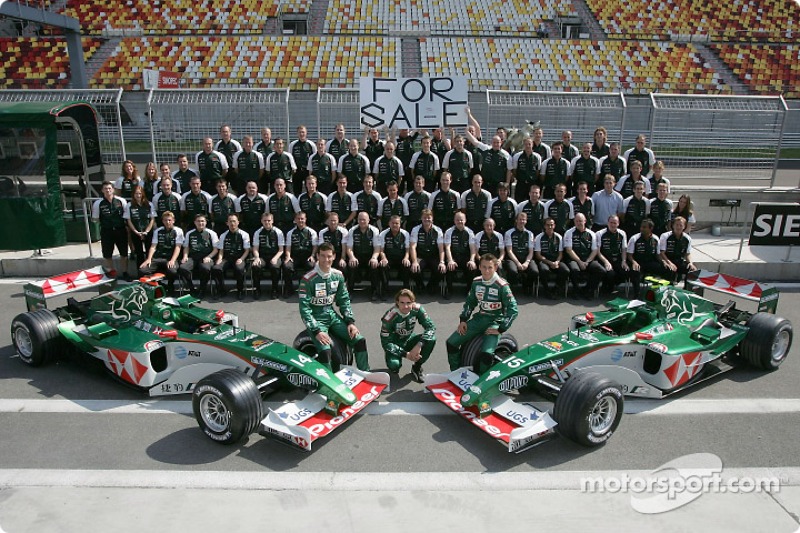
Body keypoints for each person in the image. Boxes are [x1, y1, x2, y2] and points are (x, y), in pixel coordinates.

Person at [298, 242, 370, 371]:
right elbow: (304, 309)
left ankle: (365, 374)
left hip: (332, 316)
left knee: (359, 340)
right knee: (325, 349)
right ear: (318, 256)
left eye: (329, 256)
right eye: (323, 256)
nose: (326, 260)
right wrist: (316, 331)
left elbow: (344, 300)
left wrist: (350, 322)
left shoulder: (338, 275)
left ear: (334, 256)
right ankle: (328, 384)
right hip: (316, 319)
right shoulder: (308, 279)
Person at [445, 253, 518, 372]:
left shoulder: (502, 286)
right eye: (484, 267)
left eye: (490, 267)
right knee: (451, 343)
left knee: (486, 354)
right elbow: (470, 303)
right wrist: (463, 320)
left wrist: (501, 328)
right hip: (479, 319)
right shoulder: (476, 282)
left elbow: (513, 309)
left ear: (495, 267)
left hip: (494, 322)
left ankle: (482, 381)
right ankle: (456, 372)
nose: (487, 270)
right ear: (479, 267)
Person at [380, 289, 436, 381]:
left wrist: (419, 344)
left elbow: (431, 327)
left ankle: (417, 367)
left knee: (431, 339)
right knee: (394, 366)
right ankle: (395, 359)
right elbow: (385, 343)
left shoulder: (418, 309)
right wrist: (406, 354)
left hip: (409, 339)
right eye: (402, 302)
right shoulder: (389, 316)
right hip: (395, 343)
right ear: (397, 302)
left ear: (413, 302)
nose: (405, 306)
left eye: (408, 303)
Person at [139, 210, 184, 294]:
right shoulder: (158, 231)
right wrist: (148, 259)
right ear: (162, 221)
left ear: (173, 220)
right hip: (158, 257)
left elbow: (178, 247)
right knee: (142, 270)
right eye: (165, 220)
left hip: (171, 257)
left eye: (169, 220)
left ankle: (170, 286)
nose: (167, 222)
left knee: (172, 271)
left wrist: (173, 260)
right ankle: (160, 285)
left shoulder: (178, 231)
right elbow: (153, 246)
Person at [92, 181, 129, 278]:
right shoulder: (98, 203)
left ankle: (125, 272)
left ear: (113, 190)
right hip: (106, 231)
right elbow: (95, 219)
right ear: (102, 190)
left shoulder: (121, 201)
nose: (108, 190)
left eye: (109, 188)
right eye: (105, 189)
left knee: (124, 253)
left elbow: (126, 216)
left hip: (120, 230)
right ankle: (112, 273)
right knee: (107, 254)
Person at [563, 213, 604, 298]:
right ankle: (576, 291)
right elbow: (569, 250)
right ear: (574, 222)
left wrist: (587, 261)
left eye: (580, 221)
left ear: (585, 221)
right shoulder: (569, 233)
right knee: (574, 269)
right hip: (573, 259)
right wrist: (579, 261)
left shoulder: (592, 234)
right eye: (577, 221)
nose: (579, 223)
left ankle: (588, 289)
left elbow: (595, 250)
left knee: (601, 270)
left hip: (587, 259)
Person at [178, 214, 218, 298]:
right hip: (193, 257)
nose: (200, 223)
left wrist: (209, 257)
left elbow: (216, 249)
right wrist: (185, 256)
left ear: (206, 222)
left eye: (202, 221)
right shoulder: (189, 233)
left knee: (205, 268)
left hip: (206, 257)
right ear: (195, 222)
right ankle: (191, 288)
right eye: (198, 221)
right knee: (183, 268)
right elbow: (186, 247)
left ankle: (202, 289)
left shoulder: (212, 233)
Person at [344, 211, 382, 300]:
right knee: (352, 265)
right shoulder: (352, 230)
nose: (362, 222)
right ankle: (349, 291)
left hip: (370, 256)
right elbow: (349, 248)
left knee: (374, 266)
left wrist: (374, 258)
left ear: (368, 220)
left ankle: (375, 291)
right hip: (357, 256)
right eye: (360, 220)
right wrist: (352, 257)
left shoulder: (374, 230)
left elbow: (377, 248)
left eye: (364, 220)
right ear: (357, 220)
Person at [212, 213, 250, 300]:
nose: (232, 223)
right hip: (227, 258)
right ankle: (221, 290)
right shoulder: (223, 235)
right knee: (216, 268)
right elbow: (221, 250)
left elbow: (247, 250)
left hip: (240, 258)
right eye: (230, 221)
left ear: (238, 222)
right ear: (227, 223)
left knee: (239, 269)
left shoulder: (244, 234)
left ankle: (240, 290)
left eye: (234, 221)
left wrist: (241, 259)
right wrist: (220, 259)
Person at [463, 129, 511, 196]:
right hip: (485, 183)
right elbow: (474, 141)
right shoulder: (486, 148)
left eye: (498, 142)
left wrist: (507, 184)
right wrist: (466, 130)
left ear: (501, 143)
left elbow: (509, 171)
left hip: (498, 184)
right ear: (491, 142)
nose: (496, 144)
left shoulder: (506, 155)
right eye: (494, 142)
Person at [409, 208, 445, 294]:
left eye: (429, 217)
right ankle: (420, 285)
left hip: (433, 256)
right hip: (420, 256)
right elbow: (413, 247)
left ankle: (431, 285)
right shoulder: (416, 230)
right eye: (424, 217)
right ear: (421, 218)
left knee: (441, 269)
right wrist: (414, 261)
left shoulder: (438, 230)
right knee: (414, 269)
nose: (427, 219)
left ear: (432, 218)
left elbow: (441, 248)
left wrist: (442, 262)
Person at [283, 211, 318, 297]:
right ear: (295, 220)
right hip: (295, 257)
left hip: (307, 257)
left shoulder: (312, 232)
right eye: (298, 219)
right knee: (287, 266)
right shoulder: (290, 233)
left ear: (305, 219)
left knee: (312, 266)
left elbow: (315, 246)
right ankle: (289, 289)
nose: (300, 220)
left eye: (302, 218)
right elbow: (288, 247)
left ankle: (309, 289)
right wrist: (288, 257)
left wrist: (313, 255)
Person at [443, 210, 477, 298]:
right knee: (449, 267)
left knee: (472, 267)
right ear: (454, 221)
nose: (460, 222)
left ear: (465, 220)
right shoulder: (449, 232)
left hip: (465, 256)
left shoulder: (470, 232)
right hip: (453, 256)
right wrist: (450, 260)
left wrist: (472, 260)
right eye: (457, 220)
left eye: (461, 220)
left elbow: (473, 249)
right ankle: (449, 290)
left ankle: (469, 290)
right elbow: (447, 247)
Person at [251, 212, 284, 299]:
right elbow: (255, 248)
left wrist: (275, 258)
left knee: (275, 267)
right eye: (265, 221)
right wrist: (257, 258)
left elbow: (281, 249)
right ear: (261, 221)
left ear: (272, 221)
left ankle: (275, 289)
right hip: (262, 256)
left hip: (275, 255)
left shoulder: (278, 232)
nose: (267, 222)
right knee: (255, 266)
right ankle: (257, 289)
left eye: (269, 220)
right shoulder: (258, 232)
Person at [377, 214, 412, 296]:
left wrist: (406, 258)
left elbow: (407, 250)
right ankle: (385, 289)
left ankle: (406, 291)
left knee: (407, 265)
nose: (395, 225)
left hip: (401, 258)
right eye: (393, 223)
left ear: (400, 224)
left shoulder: (405, 234)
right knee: (382, 265)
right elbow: (381, 250)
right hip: (389, 258)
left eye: (397, 223)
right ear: (389, 223)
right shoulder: (383, 234)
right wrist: (384, 258)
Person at [534, 217, 569, 298]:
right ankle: (546, 290)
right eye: (548, 225)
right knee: (544, 270)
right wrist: (549, 262)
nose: (550, 227)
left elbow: (560, 253)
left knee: (565, 270)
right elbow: (538, 255)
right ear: (544, 226)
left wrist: (557, 262)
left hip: (556, 261)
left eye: (551, 225)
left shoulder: (559, 237)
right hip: (544, 260)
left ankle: (556, 289)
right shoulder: (539, 237)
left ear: (554, 226)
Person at [504, 211, 537, 295]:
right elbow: (509, 251)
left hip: (526, 258)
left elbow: (531, 251)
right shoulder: (509, 233)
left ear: (526, 221)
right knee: (512, 271)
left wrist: (527, 262)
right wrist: (518, 263)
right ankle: (512, 288)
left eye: (524, 220)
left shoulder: (530, 234)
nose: (522, 221)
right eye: (520, 219)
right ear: (516, 220)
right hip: (513, 258)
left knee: (534, 271)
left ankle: (526, 285)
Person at [627, 218, 662, 296]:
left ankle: (660, 293)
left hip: (650, 262)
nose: (641, 229)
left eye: (644, 227)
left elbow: (658, 254)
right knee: (635, 271)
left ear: (651, 228)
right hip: (638, 262)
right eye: (641, 227)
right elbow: (629, 255)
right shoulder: (634, 238)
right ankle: (637, 294)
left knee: (665, 268)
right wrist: (634, 262)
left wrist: (664, 262)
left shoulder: (656, 239)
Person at [595, 215, 629, 294]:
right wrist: (606, 262)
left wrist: (624, 261)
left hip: (617, 259)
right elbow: (598, 251)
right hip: (604, 259)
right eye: (611, 222)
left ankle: (612, 285)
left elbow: (624, 248)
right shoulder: (599, 234)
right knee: (610, 273)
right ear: (607, 223)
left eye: (615, 223)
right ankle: (606, 289)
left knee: (625, 271)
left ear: (618, 224)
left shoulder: (622, 233)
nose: (613, 225)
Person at [659, 216, 697, 285]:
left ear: (684, 227)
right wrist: (669, 263)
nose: (678, 227)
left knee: (692, 271)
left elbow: (687, 253)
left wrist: (690, 263)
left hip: (679, 260)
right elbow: (662, 253)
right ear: (673, 226)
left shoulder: (687, 238)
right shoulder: (665, 236)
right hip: (668, 260)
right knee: (670, 269)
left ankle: (687, 290)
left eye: (681, 225)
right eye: (676, 225)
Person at [124, 185, 154, 270]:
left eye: (140, 193)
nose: (138, 195)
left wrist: (146, 231)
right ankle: (140, 273)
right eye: (136, 193)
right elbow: (129, 220)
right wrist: (136, 232)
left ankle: (150, 272)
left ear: (143, 194)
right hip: (136, 232)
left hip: (148, 232)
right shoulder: (129, 205)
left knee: (149, 252)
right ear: (133, 194)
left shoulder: (149, 204)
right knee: (139, 253)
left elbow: (152, 219)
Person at [509, 137, 542, 203]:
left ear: (532, 144)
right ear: (523, 145)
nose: (527, 146)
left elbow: (538, 171)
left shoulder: (537, 157)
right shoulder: (517, 156)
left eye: (529, 144)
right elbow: (515, 171)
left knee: (532, 202)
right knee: (519, 202)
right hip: (521, 184)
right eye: (526, 144)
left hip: (532, 184)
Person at [289, 125, 316, 196]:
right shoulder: (293, 144)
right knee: (296, 191)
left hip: (308, 171)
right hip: (297, 171)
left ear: (306, 133)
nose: (301, 134)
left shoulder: (311, 144)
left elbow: (314, 157)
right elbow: (290, 158)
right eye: (300, 132)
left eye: (303, 132)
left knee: (310, 189)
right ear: (297, 133)